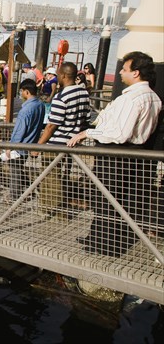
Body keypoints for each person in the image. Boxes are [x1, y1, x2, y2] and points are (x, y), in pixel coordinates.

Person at [68, 51, 162, 257]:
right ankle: (103, 239)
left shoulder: (132, 99)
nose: (120, 72)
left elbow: (119, 134)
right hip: (137, 153)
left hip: (116, 154)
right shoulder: (153, 97)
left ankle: (102, 244)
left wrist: (88, 132)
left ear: (136, 73)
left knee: (105, 198)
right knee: (123, 200)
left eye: (124, 69)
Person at [35, 62, 91, 215]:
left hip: (57, 143)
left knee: (50, 177)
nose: (57, 77)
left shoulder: (61, 97)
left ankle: (51, 210)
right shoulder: (84, 93)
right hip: (72, 142)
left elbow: (51, 126)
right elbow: (86, 119)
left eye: (59, 74)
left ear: (64, 76)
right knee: (63, 175)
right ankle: (58, 208)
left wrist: (38, 146)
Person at [6, 80, 45, 200]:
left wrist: (10, 146)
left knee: (15, 170)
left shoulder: (25, 110)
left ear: (26, 92)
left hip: (21, 144)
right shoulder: (40, 105)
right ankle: (28, 189)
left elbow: (19, 131)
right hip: (32, 141)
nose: (21, 93)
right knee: (18, 168)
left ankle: (14, 196)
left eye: (22, 91)